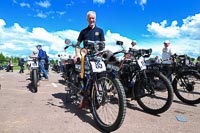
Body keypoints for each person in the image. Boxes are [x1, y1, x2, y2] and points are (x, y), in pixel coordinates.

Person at [74, 11, 105, 109]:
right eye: (90, 18)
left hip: (97, 57)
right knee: (84, 77)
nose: (91, 20)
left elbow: (103, 44)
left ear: (95, 19)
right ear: (87, 19)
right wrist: (77, 55)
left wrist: (101, 52)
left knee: (99, 76)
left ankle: (96, 95)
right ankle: (83, 96)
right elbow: (77, 45)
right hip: (86, 57)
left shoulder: (100, 30)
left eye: (93, 18)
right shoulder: (83, 31)